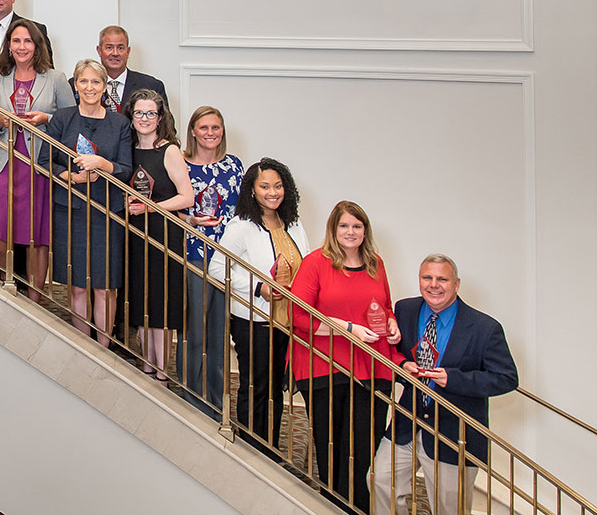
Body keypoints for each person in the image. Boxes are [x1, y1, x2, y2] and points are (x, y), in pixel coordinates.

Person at [372, 254, 518, 515]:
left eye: (442, 279)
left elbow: (506, 378)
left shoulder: (485, 328)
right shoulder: (404, 310)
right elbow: (390, 353)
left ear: (457, 284)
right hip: (407, 423)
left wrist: (454, 379)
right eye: (427, 277)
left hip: (454, 435)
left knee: (449, 509)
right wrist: (403, 366)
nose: (434, 285)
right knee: (381, 481)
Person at [291, 200, 405, 513]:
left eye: (356, 226)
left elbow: (385, 307)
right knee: (334, 448)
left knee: (365, 450)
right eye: (344, 226)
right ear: (333, 229)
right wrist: (346, 329)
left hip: (372, 368)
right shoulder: (316, 263)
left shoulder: (375, 263)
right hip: (325, 369)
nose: (350, 232)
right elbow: (298, 317)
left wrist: (392, 323)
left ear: (365, 230)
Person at [208, 157, 309, 456]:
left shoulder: (293, 223)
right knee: (257, 387)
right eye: (265, 186)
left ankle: (272, 449)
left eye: (277, 186)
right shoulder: (241, 226)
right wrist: (258, 288)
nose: (272, 192)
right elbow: (217, 268)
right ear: (252, 189)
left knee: (277, 388)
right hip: (254, 321)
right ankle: (253, 451)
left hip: (288, 321)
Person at [0, 20, 72, 297]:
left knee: (35, 237)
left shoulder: (56, 79)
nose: (22, 47)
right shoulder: (0, 79)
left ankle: (35, 298)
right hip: (2, 162)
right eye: (16, 41)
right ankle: (14, 283)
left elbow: (71, 122)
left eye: (27, 41)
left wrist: (46, 119)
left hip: (37, 164)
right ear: (9, 46)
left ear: (37, 45)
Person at [40, 58, 132, 342]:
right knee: (78, 285)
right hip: (71, 211)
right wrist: (70, 176)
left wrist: (103, 164)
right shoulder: (62, 118)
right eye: (84, 81)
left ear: (105, 87)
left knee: (105, 285)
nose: (89, 87)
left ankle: (103, 346)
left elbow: (126, 169)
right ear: (76, 86)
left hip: (107, 212)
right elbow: (45, 162)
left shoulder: (120, 123)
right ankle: (84, 346)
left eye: (96, 82)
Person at [122, 89, 194, 380]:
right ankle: (147, 365)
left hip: (163, 234)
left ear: (160, 117)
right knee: (141, 301)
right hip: (134, 233)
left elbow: (186, 197)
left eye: (150, 113)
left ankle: (163, 373)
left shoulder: (170, 150)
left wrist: (150, 208)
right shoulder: (126, 148)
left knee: (161, 304)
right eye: (139, 112)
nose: (144, 118)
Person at [178, 106, 244, 417]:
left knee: (220, 331)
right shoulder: (181, 163)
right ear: (192, 131)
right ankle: (192, 396)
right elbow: (172, 206)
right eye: (203, 127)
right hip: (194, 253)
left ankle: (218, 402)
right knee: (195, 328)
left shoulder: (234, 166)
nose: (210, 133)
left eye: (215, 127)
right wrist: (189, 220)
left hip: (226, 257)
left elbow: (243, 213)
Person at [80, 25, 167, 109]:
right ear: (99, 51)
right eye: (109, 47)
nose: (115, 53)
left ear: (128, 51)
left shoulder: (152, 86)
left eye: (120, 48)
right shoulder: (81, 85)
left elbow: (165, 122)